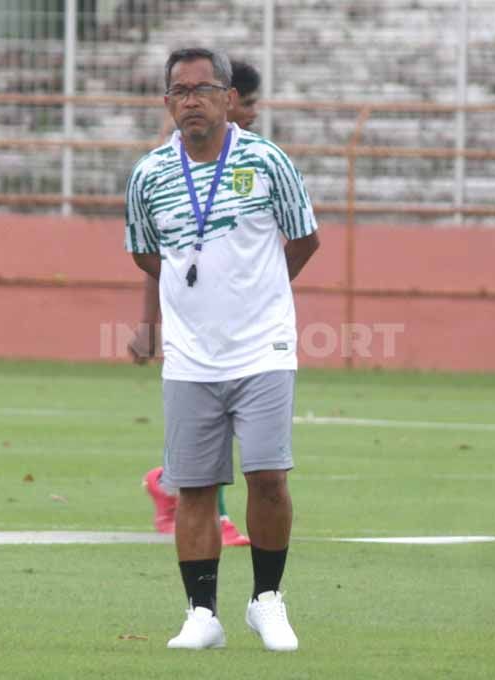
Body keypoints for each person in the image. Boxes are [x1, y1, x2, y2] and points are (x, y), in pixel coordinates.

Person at [124, 47, 320, 651]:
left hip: (263, 346)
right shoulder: (149, 174)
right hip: (190, 356)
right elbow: (143, 251)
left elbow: (305, 239)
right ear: (167, 103)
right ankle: (201, 615)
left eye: (203, 89)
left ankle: (267, 601)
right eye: (179, 92)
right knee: (195, 486)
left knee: (267, 476)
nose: (191, 101)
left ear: (228, 98)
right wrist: (162, 320)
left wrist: (255, 292)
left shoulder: (266, 161)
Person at [133, 59, 264, 549]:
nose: (252, 112)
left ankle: (166, 480)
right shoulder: (171, 169)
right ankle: (214, 516)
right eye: (246, 102)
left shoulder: (253, 160)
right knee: (214, 421)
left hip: (244, 323)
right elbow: (164, 256)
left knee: (235, 418)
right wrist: (149, 324)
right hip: (194, 322)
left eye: (252, 102)